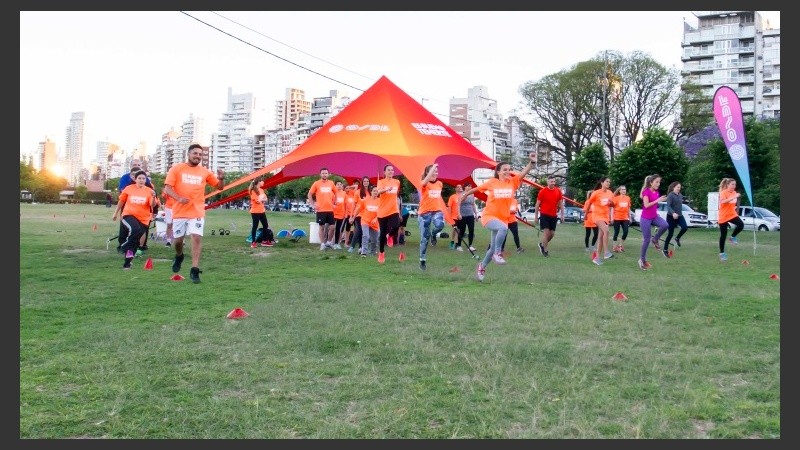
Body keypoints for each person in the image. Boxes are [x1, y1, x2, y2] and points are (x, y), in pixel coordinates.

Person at [461, 153, 535, 282]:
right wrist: (465, 194)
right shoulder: (492, 182)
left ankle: (482, 267)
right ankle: (498, 253)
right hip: (489, 216)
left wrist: (531, 163)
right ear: (498, 172)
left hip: (503, 218)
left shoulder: (512, 182)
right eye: (505, 170)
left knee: (492, 247)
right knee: (503, 230)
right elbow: (477, 189)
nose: (508, 171)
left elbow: (523, 173)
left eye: (509, 169)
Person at [163, 143, 225, 283]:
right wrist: (178, 198)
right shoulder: (177, 169)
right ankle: (179, 256)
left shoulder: (204, 172)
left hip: (197, 211)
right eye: (195, 153)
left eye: (200, 155)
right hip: (179, 212)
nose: (198, 156)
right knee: (178, 241)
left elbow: (219, 187)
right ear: (189, 154)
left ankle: (194, 270)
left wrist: (221, 178)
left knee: (196, 237)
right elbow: (167, 188)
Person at [112, 170, 157, 269]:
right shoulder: (129, 188)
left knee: (135, 241)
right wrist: (115, 213)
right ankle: (123, 246)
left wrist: (153, 197)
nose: (141, 180)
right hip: (128, 215)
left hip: (143, 219)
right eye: (139, 178)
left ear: (146, 180)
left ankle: (127, 263)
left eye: (143, 178)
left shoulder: (149, 191)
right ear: (135, 179)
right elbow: (121, 201)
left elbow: (152, 205)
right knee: (135, 230)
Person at [116, 159, 154, 252]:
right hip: (128, 206)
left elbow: (150, 190)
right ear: (130, 166)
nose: (136, 166)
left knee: (142, 228)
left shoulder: (144, 178)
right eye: (134, 164)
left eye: (138, 164)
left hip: (143, 206)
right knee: (125, 226)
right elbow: (123, 191)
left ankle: (140, 245)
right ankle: (123, 244)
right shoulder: (125, 178)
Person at [417, 163, 447, 271]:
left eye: (436, 171)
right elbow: (425, 181)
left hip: (436, 211)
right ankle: (422, 260)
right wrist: (432, 168)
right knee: (424, 239)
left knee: (440, 225)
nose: (435, 173)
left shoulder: (439, 183)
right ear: (427, 173)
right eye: (433, 171)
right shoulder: (424, 183)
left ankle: (434, 234)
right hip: (424, 214)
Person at [637, 174, 668, 271]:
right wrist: (658, 200)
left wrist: (657, 207)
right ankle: (642, 261)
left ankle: (655, 239)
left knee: (665, 225)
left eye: (659, 182)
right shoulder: (646, 192)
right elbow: (646, 205)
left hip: (654, 217)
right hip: (645, 218)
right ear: (651, 182)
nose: (658, 184)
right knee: (646, 240)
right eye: (656, 182)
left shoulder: (657, 192)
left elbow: (654, 206)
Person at [583, 177, 615, 265]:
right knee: (606, 231)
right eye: (607, 181)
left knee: (601, 237)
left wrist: (610, 202)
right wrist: (585, 215)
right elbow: (589, 203)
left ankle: (596, 258)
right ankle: (606, 252)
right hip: (597, 216)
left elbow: (613, 205)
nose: (608, 183)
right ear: (602, 183)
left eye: (609, 182)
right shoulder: (596, 193)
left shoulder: (610, 193)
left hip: (605, 217)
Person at [376, 164, 402, 264]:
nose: (391, 171)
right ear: (384, 172)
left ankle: (390, 236)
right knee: (382, 233)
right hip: (382, 211)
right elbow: (378, 192)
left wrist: (399, 210)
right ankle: (381, 253)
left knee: (396, 226)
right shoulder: (381, 182)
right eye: (388, 170)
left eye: (392, 170)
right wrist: (386, 189)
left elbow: (396, 196)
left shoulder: (397, 182)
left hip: (393, 209)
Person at [307, 167, 339, 250]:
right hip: (321, 210)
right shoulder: (316, 183)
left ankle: (328, 242)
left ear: (328, 174)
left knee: (332, 227)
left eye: (326, 173)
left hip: (330, 209)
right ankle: (322, 244)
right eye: (323, 173)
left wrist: (335, 202)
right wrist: (313, 204)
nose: (324, 174)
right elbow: (310, 194)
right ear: (320, 174)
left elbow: (336, 192)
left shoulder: (331, 183)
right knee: (321, 227)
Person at [533, 175, 564, 257]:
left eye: (554, 182)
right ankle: (545, 251)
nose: (553, 183)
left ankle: (542, 244)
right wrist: (536, 216)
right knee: (546, 234)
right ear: (547, 182)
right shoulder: (542, 191)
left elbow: (561, 204)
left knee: (552, 234)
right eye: (551, 182)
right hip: (544, 215)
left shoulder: (558, 191)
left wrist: (562, 215)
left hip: (553, 216)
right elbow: (537, 205)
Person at [717, 177, 744, 262]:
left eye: (735, 184)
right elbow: (723, 202)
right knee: (723, 235)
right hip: (723, 216)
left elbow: (733, 204)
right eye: (732, 184)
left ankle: (732, 237)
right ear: (728, 185)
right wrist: (734, 197)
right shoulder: (723, 193)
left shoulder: (735, 192)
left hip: (732, 214)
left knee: (741, 225)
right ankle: (722, 253)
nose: (734, 186)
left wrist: (736, 197)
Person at [349, 185, 380, 257]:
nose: (375, 192)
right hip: (365, 220)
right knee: (365, 235)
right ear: (371, 192)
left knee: (374, 240)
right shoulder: (365, 200)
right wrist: (353, 217)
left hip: (375, 222)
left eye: (377, 191)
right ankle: (364, 252)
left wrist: (376, 218)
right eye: (374, 191)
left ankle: (373, 251)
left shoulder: (380, 201)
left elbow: (381, 212)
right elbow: (358, 209)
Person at [662, 181, 688, 257]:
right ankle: (665, 250)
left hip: (679, 216)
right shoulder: (670, 195)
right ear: (673, 187)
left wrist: (677, 213)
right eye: (677, 187)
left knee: (685, 227)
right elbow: (668, 206)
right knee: (670, 234)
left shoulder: (680, 195)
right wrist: (673, 213)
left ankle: (677, 238)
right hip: (671, 216)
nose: (679, 189)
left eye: (680, 187)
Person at [347, 176, 371, 254]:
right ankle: (352, 246)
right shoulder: (358, 192)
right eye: (364, 181)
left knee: (364, 231)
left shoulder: (371, 192)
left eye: (367, 181)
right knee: (359, 229)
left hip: (367, 215)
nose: (366, 183)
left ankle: (361, 247)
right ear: (362, 182)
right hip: (358, 214)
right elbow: (354, 204)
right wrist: (351, 216)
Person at [248, 178, 272, 248]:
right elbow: (257, 201)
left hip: (262, 210)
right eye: (262, 181)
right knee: (255, 226)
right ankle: (253, 242)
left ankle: (264, 241)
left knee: (265, 225)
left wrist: (261, 199)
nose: (263, 182)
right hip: (255, 211)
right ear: (259, 182)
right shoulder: (253, 191)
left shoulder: (261, 190)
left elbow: (266, 199)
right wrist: (261, 200)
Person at [455, 183, 478, 253]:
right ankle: (459, 245)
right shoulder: (461, 194)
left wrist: (476, 214)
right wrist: (459, 214)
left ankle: (470, 246)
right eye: (468, 186)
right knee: (462, 230)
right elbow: (458, 204)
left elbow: (473, 204)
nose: (470, 187)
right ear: (464, 187)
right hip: (463, 215)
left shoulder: (472, 195)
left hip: (470, 215)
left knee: (471, 230)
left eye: (470, 186)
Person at [610, 185, 631, 253]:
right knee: (616, 232)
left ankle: (620, 245)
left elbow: (628, 208)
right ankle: (614, 247)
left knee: (626, 231)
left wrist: (629, 217)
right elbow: (612, 208)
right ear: (619, 191)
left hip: (625, 217)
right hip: (617, 217)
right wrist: (612, 218)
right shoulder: (616, 198)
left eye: (624, 189)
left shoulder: (628, 198)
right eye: (622, 189)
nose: (624, 191)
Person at [332, 180, 348, 249]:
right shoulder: (333, 193)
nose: (339, 186)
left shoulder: (344, 193)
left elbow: (346, 204)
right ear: (335, 186)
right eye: (337, 184)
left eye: (340, 184)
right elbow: (330, 203)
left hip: (341, 214)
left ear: (342, 186)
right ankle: (329, 242)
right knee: (332, 228)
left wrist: (346, 213)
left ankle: (336, 243)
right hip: (333, 214)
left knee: (339, 229)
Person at [446, 184, 462, 250]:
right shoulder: (452, 197)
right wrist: (449, 216)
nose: (459, 188)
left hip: (460, 216)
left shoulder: (463, 196)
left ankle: (456, 243)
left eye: (460, 187)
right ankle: (452, 242)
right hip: (453, 216)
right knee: (454, 230)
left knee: (458, 230)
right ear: (455, 189)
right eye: (457, 187)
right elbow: (449, 206)